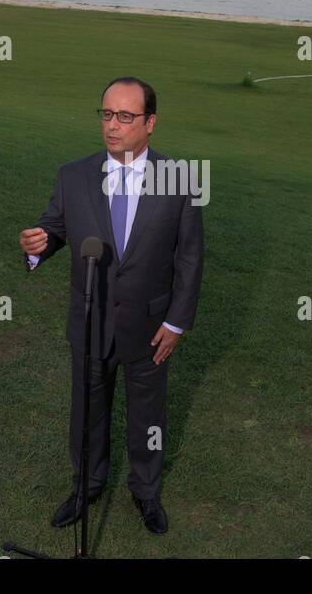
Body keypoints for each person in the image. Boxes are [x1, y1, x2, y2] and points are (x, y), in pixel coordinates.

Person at [19, 76, 204, 534]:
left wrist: (177, 323)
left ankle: (145, 493)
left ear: (150, 122)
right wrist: (37, 245)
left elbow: (190, 257)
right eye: (106, 114)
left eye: (126, 116)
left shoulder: (179, 180)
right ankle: (86, 486)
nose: (113, 125)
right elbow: (54, 228)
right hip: (89, 322)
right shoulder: (73, 175)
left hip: (149, 327)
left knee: (147, 417)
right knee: (87, 412)